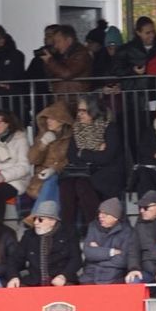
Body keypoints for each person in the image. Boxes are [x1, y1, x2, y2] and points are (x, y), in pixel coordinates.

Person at [59, 95, 124, 234]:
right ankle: (67, 232)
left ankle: (96, 229)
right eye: (78, 110)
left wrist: (83, 153)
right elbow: (71, 155)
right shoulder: (77, 128)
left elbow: (107, 157)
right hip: (84, 171)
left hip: (106, 172)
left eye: (83, 110)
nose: (79, 114)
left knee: (82, 185)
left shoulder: (109, 127)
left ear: (94, 111)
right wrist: (94, 152)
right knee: (66, 186)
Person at [10, 201, 81, 287]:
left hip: (61, 281)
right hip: (34, 281)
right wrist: (14, 277)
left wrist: (64, 276)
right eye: (35, 219)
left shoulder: (68, 234)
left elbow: (76, 259)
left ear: (52, 221)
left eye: (40, 219)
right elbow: (15, 260)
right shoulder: (29, 235)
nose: (36, 222)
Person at [22, 100, 71, 217]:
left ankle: (35, 216)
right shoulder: (43, 134)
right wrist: (42, 144)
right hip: (41, 174)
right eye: (47, 118)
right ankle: (44, 218)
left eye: (52, 118)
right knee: (48, 183)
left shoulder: (71, 138)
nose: (48, 120)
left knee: (51, 181)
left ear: (62, 121)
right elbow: (32, 159)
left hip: (64, 174)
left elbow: (70, 159)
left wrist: (54, 169)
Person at [26, 24, 94, 100]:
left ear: (69, 40)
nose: (55, 46)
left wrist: (50, 60)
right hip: (64, 99)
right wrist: (48, 60)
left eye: (58, 42)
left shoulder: (81, 54)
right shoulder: (63, 54)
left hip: (75, 100)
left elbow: (67, 74)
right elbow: (50, 74)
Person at [79, 198, 136, 285]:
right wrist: (111, 252)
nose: (100, 216)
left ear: (115, 217)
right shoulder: (93, 226)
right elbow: (88, 252)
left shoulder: (127, 232)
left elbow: (123, 260)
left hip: (113, 278)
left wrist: (97, 254)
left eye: (105, 214)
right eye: (100, 213)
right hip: (89, 277)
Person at [112, 17, 156, 99]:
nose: (152, 35)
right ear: (138, 33)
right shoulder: (127, 49)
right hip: (135, 96)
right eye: (148, 33)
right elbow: (116, 70)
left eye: (153, 31)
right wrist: (133, 70)